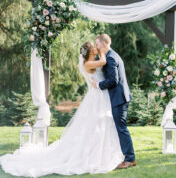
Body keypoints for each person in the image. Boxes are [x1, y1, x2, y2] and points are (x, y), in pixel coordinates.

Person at [0, 41, 124, 177]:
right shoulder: (88, 64)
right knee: (94, 125)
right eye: (94, 47)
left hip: (99, 95)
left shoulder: (89, 61)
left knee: (99, 125)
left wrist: (98, 51)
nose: (96, 47)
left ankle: (103, 152)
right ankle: (95, 155)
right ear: (89, 52)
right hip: (96, 96)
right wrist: (102, 50)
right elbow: (103, 62)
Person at [92, 34, 136, 169]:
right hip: (120, 97)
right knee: (120, 128)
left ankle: (130, 159)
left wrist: (98, 85)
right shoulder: (111, 55)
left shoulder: (111, 57)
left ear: (104, 44)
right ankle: (125, 156)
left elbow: (113, 80)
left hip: (119, 98)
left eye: (97, 44)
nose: (96, 47)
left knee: (121, 128)